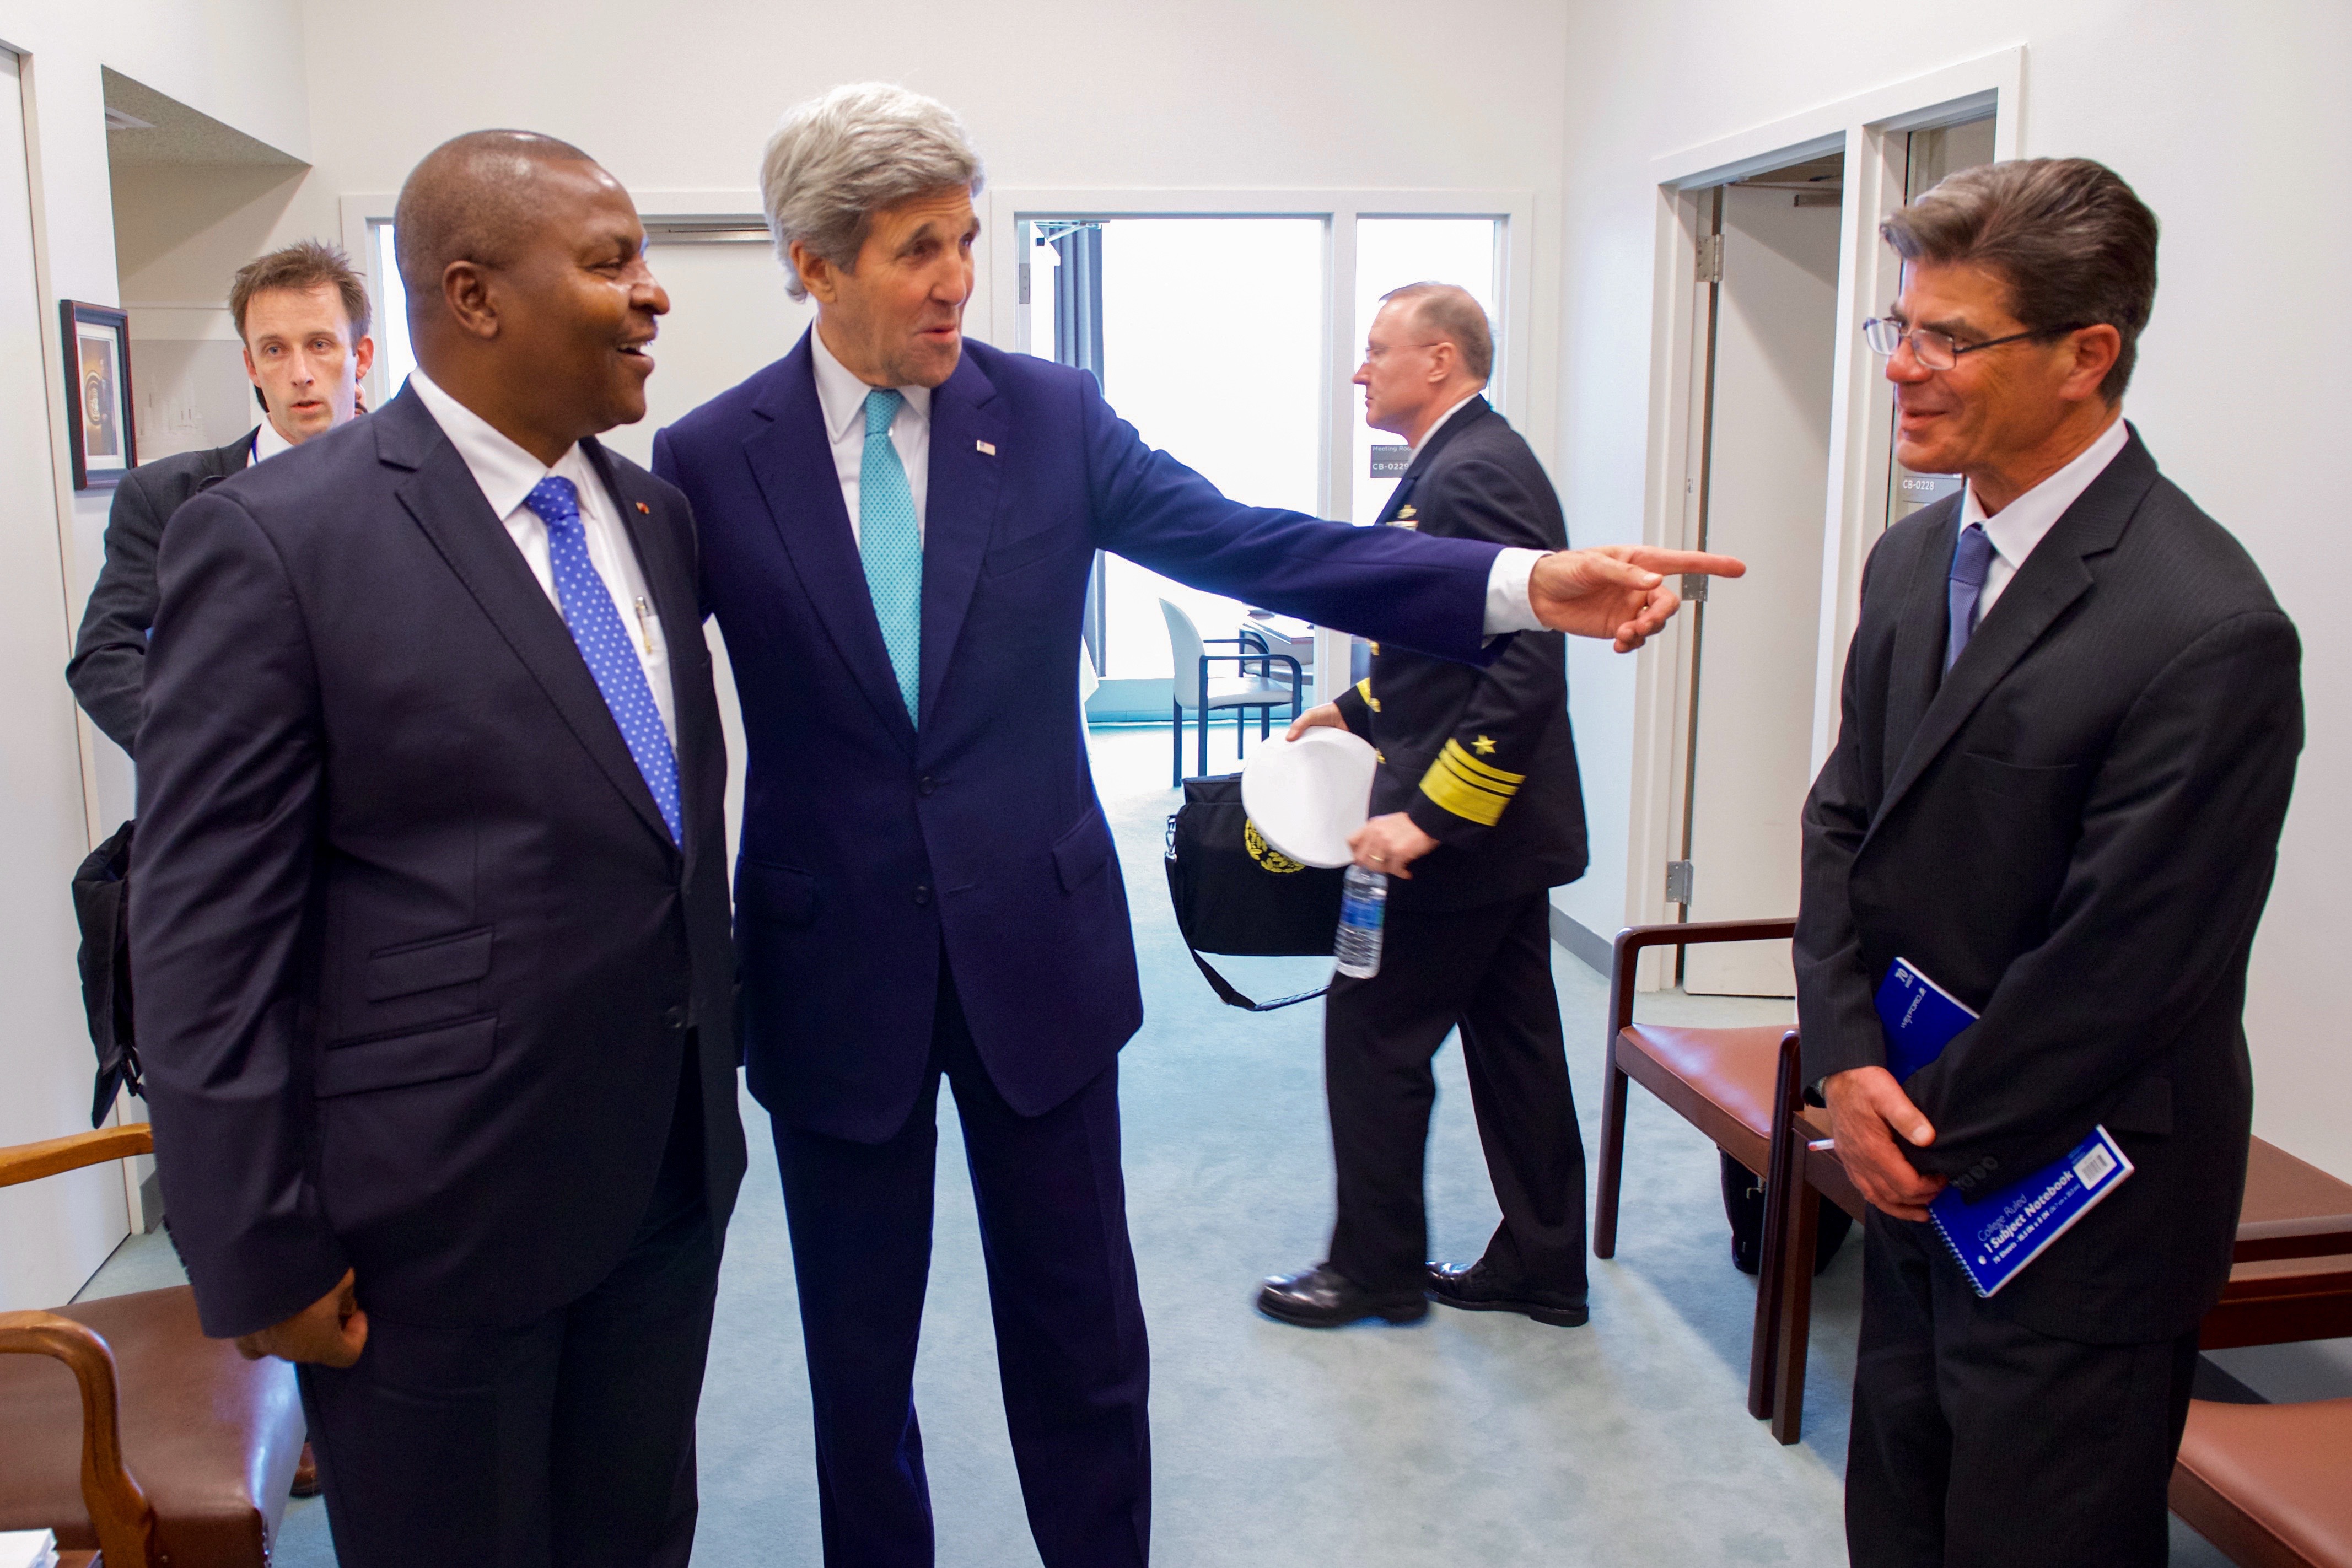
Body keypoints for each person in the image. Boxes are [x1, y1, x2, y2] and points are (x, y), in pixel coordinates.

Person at [653, 81, 1738, 1568]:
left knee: (1081, 1338)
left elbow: (1259, 544)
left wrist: (1516, 585)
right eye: (916, 247)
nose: (957, 276)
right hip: (830, 967)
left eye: (963, 237)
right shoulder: (712, 459)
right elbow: (640, 709)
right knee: (855, 1362)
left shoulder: (1044, 418)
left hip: (1037, 951)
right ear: (813, 261)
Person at [130, 131, 745, 1568]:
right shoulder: (278, 538)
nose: (652, 297)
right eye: (611, 263)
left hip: (661, 1174)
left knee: (636, 1533)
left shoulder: (653, 518)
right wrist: (260, 1247)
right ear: (472, 297)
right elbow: (204, 931)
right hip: (427, 1228)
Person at [1794, 157, 2301, 1567]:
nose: (1903, 367)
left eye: (1950, 338)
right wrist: (1844, 1061)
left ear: (2087, 354)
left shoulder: (2204, 625)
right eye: (1898, 326)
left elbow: (2125, 961)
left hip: (2074, 1206)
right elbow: (1844, 819)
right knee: (1898, 1519)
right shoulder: (1909, 560)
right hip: (1907, 1157)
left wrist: (1931, 1136)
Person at [1258, 282, 1591, 1331]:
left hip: (1456, 842)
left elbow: (1528, 663)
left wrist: (1430, 820)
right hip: (1502, 840)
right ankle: (1543, 1265)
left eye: (1376, 352)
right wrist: (1353, 705)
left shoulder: (1475, 470)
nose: (1360, 371)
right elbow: (1448, 638)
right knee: (1516, 1046)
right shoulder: (1455, 462)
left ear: (1439, 361)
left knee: (1371, 1035)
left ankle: (1375, 1270)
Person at [68, 239, 374, 753]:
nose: (299, 373)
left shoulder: (421, 485)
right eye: (274, 350)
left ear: (359, 355)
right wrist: (200, 756)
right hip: (238, 805)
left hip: (390, 807)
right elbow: (104, 652)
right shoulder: (166, 497)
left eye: (320, 344)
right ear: (252, 367)